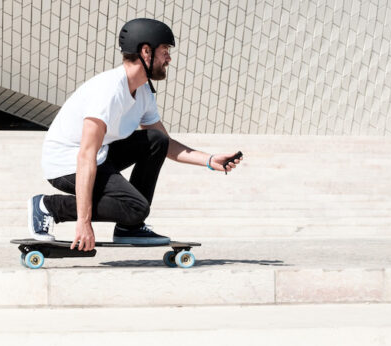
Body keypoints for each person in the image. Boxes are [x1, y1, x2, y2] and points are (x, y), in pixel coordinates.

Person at [28, 18, 243, 252]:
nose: (169, 58)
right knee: (135, 207)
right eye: (165, 51)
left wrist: (210, 161)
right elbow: (85, 156)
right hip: (67, 164)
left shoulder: (143, 92)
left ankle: (130, 227)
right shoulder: (109, 91)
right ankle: (49, 206)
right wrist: (84, 222)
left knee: (155, 140)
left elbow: (165, 144)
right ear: (146, 51)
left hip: (101, 155)